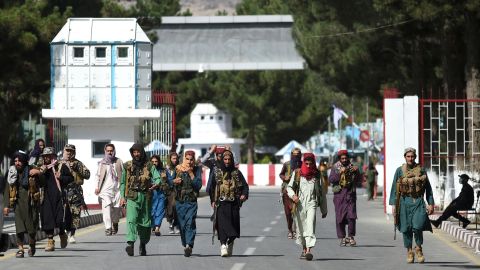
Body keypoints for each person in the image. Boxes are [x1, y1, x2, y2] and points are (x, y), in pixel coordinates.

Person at [389, 147, 434, 264]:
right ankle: (409, 251)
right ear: (405, 157)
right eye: (408, 156)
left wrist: (431, 203)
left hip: (418, 201)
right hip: (404, 202)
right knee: (406, 228)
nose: (410, 158)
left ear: (415, 157)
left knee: (418, 226)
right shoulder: (399, 170)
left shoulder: (421, 170)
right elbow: (394, 188)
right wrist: (393, 205)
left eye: (412, 156)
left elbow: (428, 188)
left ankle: (418, 248)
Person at [120, 143, 161, 256]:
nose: (136, 154)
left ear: (142, 152)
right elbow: (123, 182)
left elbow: (157, 177)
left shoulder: (149, 165)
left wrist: (156, 184)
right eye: (134, 152)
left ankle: (143, 243)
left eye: (138, 152)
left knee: (145, 223)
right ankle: (130, 243)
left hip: (145, 197)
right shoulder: (127, 166)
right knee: (131, 220)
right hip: (132, 197)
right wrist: (122, 197)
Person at [287, 153, 327, 261]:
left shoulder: (317, 175)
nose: (308, 166)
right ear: (303, 162)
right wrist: (293, 195)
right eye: (307, 163)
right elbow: (289, 187)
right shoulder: (298, 173)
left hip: (312, 203)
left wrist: (324, 210)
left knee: (310, 226)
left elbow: (322, 193)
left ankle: (309, 251)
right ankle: (304, 249)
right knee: (301, 228)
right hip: (299, 204)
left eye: (311, 163)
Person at [209, 149, 249, 257]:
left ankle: (230, 242)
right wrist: (212, 200)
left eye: (229, 159)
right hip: (221, 204)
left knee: (234, 230)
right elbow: (211, 188)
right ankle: (223, 246)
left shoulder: (236, 173)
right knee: (222, 227)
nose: (227, 161)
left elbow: (245, 186)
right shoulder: (217, 172)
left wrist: (244, 195)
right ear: (222, 159)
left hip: (234, 204)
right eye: (225, 159)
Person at [37, 147, 74, 252]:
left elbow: (71, 178)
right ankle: (50, 242)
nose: (46, 158)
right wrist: (40, 173)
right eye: (45, 156)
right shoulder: (42, 168)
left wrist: (61, 177)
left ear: (53, 156)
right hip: (46, 197)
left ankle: (62, 234)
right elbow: (38, 183)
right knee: (48, 219)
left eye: (48, 156)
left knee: (59, 220)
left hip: (59, 197)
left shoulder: (61, 166)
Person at [5, 151, 41, 258]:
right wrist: (6, 206)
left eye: (19, 160)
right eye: (15, 161)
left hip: (31, 204)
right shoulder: (12, 172)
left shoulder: (31, 170)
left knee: (32, 229)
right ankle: (20, 249)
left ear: (24, 161)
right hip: (18, 204)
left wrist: (38, 172)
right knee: (19, 228)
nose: (17, 163)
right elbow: (8, 189)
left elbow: (43, 183)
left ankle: (32, 244)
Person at [329, 150, 362, 246]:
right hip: (339, 196)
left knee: (351, 216)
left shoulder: (352, 167)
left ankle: (351, 237)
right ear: (339, 159)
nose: (344, 160)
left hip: (350, 195)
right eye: (342, 158)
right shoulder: (335, 167)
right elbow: (331, 179)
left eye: (345, 158)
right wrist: (339, 173)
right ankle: (343, 238)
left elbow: (359, 180)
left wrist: (357, 172)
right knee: (340, 217)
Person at [173, 151, 202, 257]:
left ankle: (189, 245)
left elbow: (198, 185)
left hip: (191, 202)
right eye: (187, 159)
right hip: (180, 202)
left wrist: (191, 173)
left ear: (193, 160)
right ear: (184, 159)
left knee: (190, 223)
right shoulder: (177, 169)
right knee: (182, 225)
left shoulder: (197, 169)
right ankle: (185, 244)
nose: (189, 162)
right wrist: (174, 181)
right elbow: (170, 184)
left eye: (191, 159)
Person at [62, 144, 90, 244]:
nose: (69, 153)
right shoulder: (59, 163)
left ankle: (72, 234)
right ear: (64, 151)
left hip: (75, 191)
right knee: (65, 213)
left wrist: (77, 168)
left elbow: (87, 175)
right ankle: (66, 231)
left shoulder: (78, 163)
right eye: (67, 151)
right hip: (63, 192)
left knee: (76, 213)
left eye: (71, 151)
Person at [95, 143, 123, 236]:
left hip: (117, 190)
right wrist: (97, 187)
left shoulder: (118, 161)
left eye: (111, 151)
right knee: (106, 209)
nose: (110, 152)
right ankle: (108, 228)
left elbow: (124, 175)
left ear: (114, 151)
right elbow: (98, 176)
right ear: (105, 151)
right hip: (105, 191)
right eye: (108, 151)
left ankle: (115, 223)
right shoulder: (102, 163)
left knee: (116, 210)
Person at [278, 147, 302, 239]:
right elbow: (281, 174)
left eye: (298, 155)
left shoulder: (303, 165)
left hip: (299, 191)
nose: (296, 157)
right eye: (294, 155)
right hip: (287, 191)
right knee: (288, 213)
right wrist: (285, 178)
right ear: (292, 155)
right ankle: (290, 230)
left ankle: (296, 230)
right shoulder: (287, 164)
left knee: (297, 212)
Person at [150, 155, 169, 236]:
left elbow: (170, 181)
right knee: (152, 211)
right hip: (151, 194)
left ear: (159, 162)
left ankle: (157, 227)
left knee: (160, 211)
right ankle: (152, 226)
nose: (154, 163)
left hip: (161, 193)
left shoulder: (163, 171)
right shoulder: (148, 171)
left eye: (156, 161)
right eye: (152, 162)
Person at [165, 152, 180, 234]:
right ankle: (171, 224)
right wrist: (172, 181)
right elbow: (164, 179)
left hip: (177, 191)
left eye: (176, 158)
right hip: (168, 191)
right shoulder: (166, 168)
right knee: (169, 209)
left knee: (176, 207)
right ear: (170, 159)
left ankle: (177, 224)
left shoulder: (179, 167)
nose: (175, 160)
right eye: (173, 158)